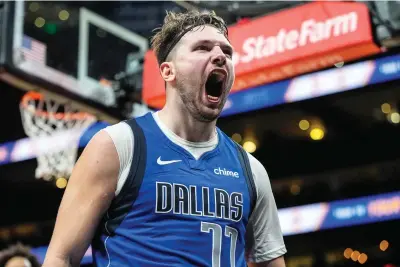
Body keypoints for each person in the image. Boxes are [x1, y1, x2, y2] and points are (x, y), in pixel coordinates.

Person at [43, 9, 287, 267]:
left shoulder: (251, 170)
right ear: (168, 71)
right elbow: (62, 258)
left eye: (226, 52)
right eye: (203, 48)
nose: (220, 56)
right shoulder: (118, 146)